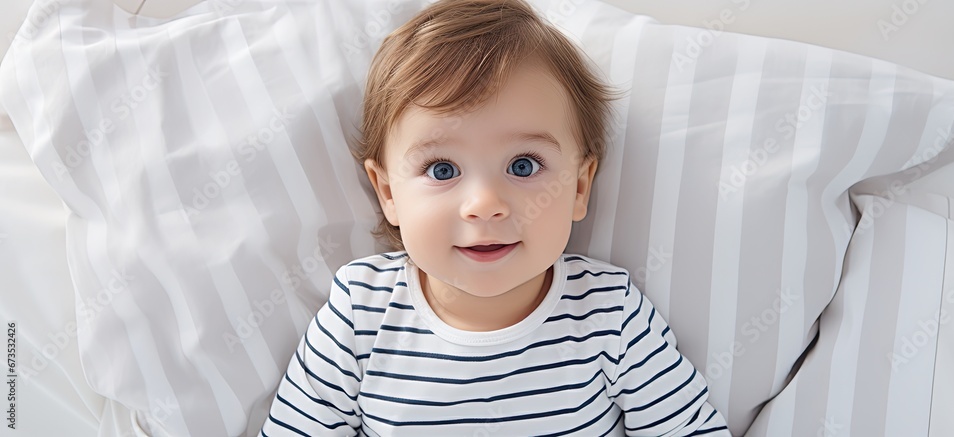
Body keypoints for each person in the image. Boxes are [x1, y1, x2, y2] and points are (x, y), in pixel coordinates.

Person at [260, 0, 730, 435]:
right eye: (441, 169)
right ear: (388, 193)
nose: (484, 204)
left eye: (523, 165)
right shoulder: (359, 314)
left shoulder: (610, 316)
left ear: (580, 187)